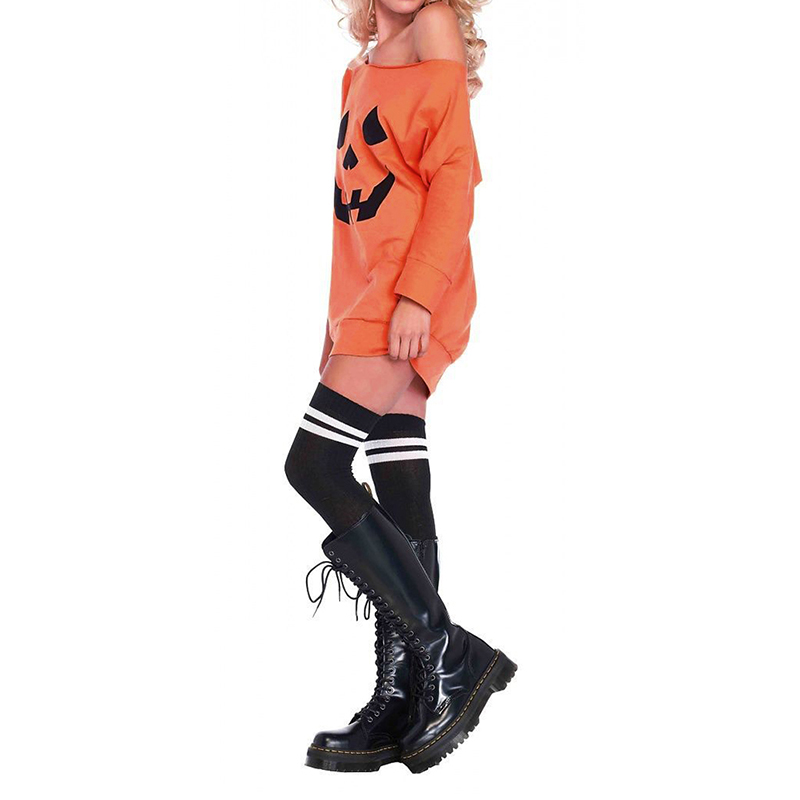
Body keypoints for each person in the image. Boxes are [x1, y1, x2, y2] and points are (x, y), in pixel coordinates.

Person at [285, 0, 515, 773]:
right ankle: (404, 696)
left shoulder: (433, 26)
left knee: (313, 466)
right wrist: (333, 321)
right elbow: (349, 218)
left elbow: (454, 176)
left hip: (408, 293)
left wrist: (417, 293)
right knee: (398, 484)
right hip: (369, 297)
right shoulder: (358, 68)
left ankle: (447, 652)